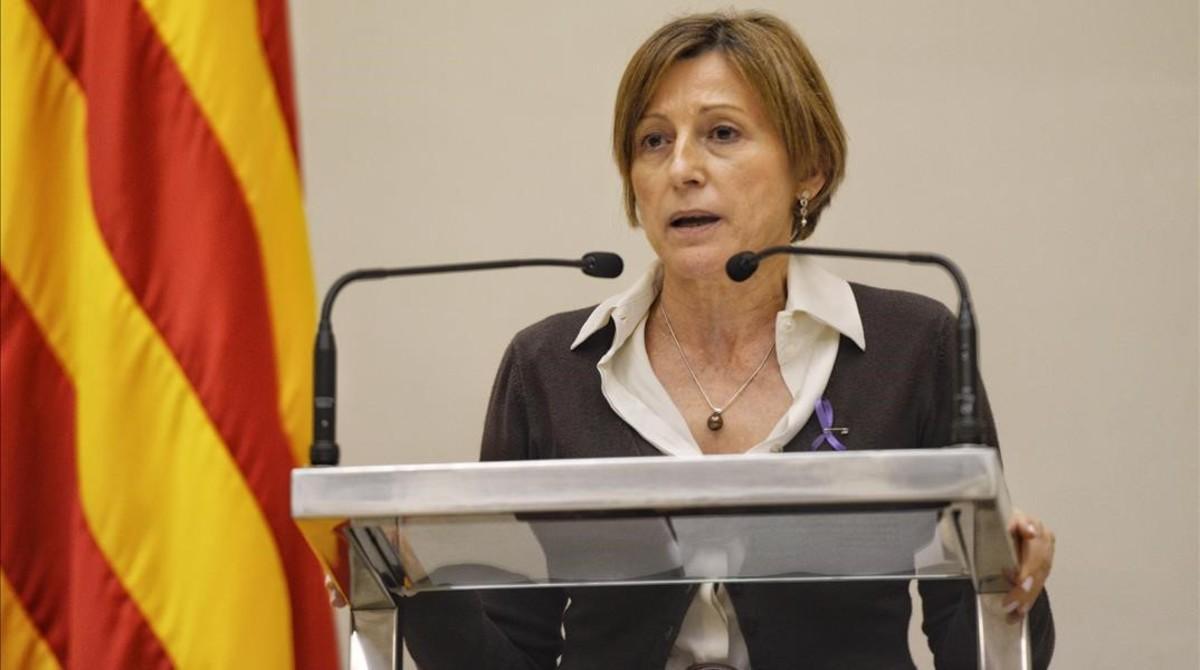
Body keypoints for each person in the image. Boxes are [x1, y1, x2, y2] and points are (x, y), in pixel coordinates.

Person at [354, 10, 1056, 669]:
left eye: (722, 133)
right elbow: (514, 653)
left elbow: (983, 640)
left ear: (808, 168)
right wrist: (408, 583)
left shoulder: (909, 347)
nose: (681, 168)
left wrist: (1015, 579)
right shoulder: (548, 368)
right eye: (653, 141)